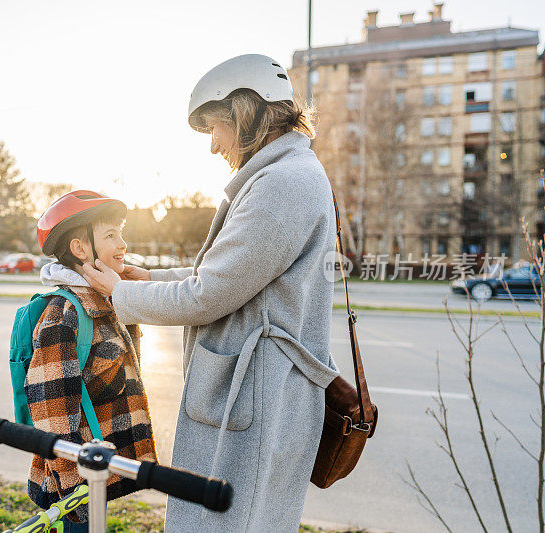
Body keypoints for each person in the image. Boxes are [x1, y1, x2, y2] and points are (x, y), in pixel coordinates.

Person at [82, 54, 340, 532]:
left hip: (257, 395)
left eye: (216, 128)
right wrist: (151, 279)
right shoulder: (288, 173)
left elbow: (207, 296)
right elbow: (233, 274)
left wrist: (120, 293)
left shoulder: (281, 184)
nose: (214, 145)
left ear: (245, 115)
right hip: (264, 391)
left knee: (229, 524)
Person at [25, 190, 158, 532]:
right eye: (111, 235)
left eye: (121, 233)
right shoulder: (64, 315)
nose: (123, 243)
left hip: (99, 470)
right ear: (81, 249)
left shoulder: (109, 300)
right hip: (78, 482)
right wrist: (76, 493)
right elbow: (52, 414)